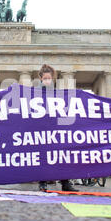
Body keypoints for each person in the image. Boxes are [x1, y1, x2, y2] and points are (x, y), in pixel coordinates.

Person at [37, 64, 78, 192]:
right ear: (41, 78)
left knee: (61, 155)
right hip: (42, 128)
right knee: (43, 156)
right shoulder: (36, 92)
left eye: (49, 78)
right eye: (45, 78)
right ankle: (42, 182)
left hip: (56, 127)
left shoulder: (57, 93)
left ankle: (65, 182)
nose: (47, 80)